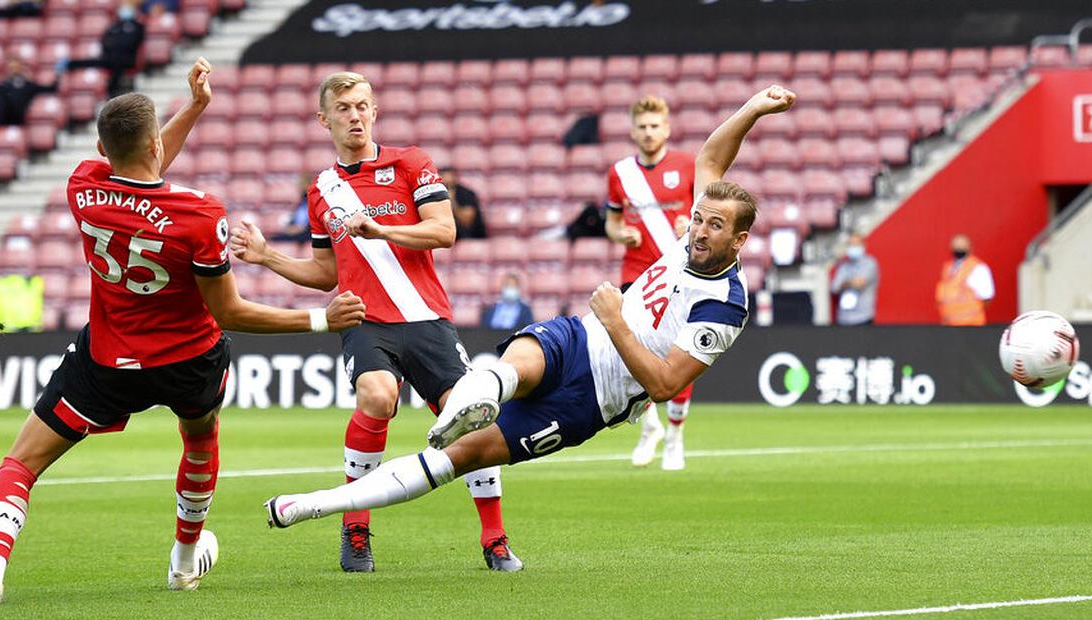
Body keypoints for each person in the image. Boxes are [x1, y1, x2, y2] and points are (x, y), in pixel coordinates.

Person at [0, 58, 367, 607]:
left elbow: (137, 172)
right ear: (155, 143)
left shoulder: (83, 184)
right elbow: (230, 312)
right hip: (189, 361)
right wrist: (321, 318)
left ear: (103, 151)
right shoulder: (200, 215)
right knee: (200, 441)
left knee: (21, 463)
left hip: (107, 362)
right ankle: (183, 561)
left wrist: (193, 108)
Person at [263, 86, 796, 544]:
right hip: (578, 336)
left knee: (465, 458)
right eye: (697, 219)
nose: (698, 232)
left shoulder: (726, 304)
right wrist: (753, 108)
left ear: (739, 239)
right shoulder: (695, 234)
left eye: (712, 227)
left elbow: (662, 384)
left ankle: (318, 503)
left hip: (595, 395)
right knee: (515, 361)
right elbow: (710, 159)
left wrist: (615, 320)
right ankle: (467, 404)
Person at [230, 71, 521, 573]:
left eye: (363, 105)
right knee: (378, 397)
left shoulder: (410, 162)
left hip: (427, 318)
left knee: (470, 416)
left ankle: (494, 538)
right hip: (364, 320)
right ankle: (356, 526)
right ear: (324, 119)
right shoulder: (322, 189)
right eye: (343, 109)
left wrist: (378, 228)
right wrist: (266, 257)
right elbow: (326, 274)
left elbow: (445, 231)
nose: (355, 115)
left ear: (375, 111)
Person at [605, 95, 697, 471]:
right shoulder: (620, 173)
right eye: (642, 126)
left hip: (678, 271)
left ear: (667, 128)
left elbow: (708, 214)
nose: (648, 132)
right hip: (636, 273)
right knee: (633, 352)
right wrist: (619, 233)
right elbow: (611, 222)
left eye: (655, 125)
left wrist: (689, 223)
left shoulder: (687, 166)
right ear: (632, 131)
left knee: (679, 354)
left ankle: (675, 435)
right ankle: (651, 426)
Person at [62, 0, 145, 99]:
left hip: (126, 59)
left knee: (117, 65)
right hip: (109, 57)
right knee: (94, 61)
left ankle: (111, 93)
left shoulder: (137, 26)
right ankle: (70, 64)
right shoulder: (114, 25)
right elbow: (105, 40)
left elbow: (134, 42)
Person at [935, 234, 994, 326]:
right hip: (949, 326)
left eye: (961, 247)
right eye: (956, 247)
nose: (958, 249)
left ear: (970, 248)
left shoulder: (978, 268)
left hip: (972, 326)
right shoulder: (948, 268)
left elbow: (987, 298)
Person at [829, 234, 879, 326]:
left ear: (863, 246)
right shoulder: (843, 266)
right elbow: (834, 287)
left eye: (856, 245)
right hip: (843, 318)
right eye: (850, 245)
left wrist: (844, 284)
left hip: (863, 317)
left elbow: (860, 283)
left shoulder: (870, 263)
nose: (853, 248)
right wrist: (850, 283)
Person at [440, 166, 487, 239]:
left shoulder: (466, 193)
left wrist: (452, 201)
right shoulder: (436, 194)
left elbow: (466, 221)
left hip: (471, 236)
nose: (447, 181)